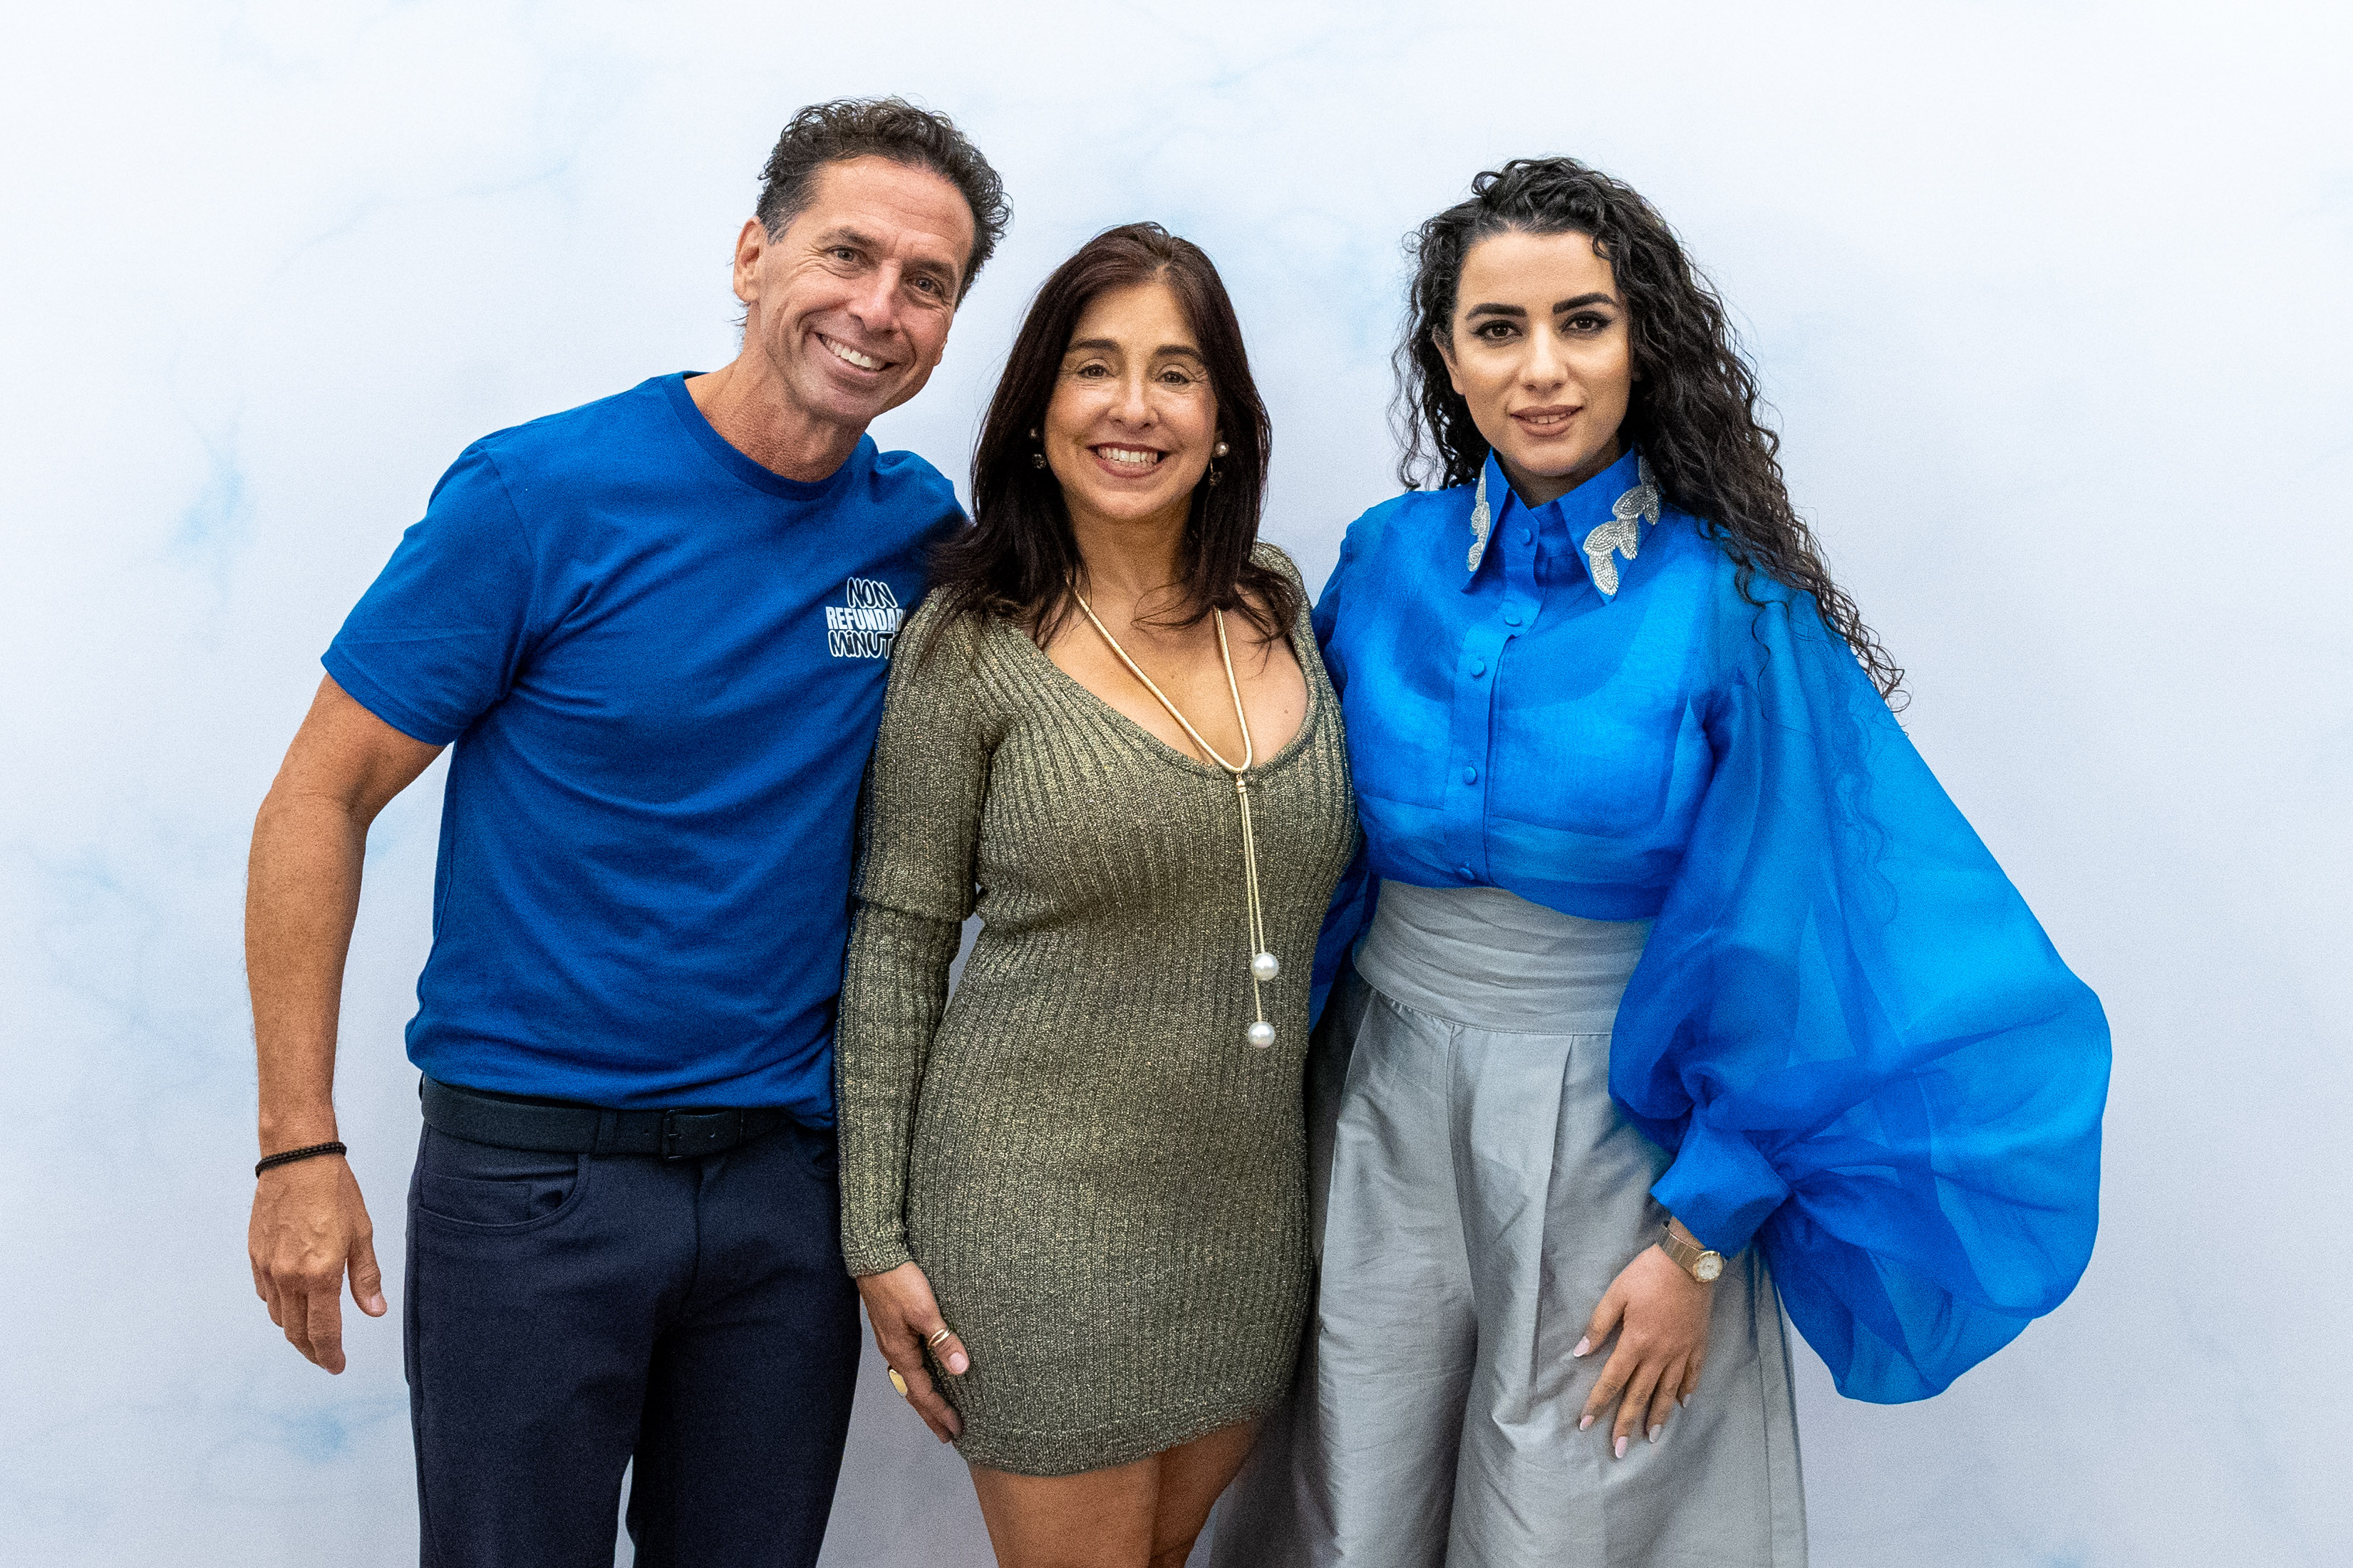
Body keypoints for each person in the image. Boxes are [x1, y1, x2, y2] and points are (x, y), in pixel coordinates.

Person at [1214, 158, 2111, 1567]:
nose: (1542, 369)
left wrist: (1700, 1238)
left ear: (1643, 343)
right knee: (1351, 1497)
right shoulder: (1381, 561)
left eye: (1583, 322)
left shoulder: (1730, 601)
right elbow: (1305, 850)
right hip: (1372, 1101)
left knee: (1577, 1519)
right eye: (1497, 329)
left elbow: (1798, 934)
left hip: (1615, 1130)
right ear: (1445, 355)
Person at [241, 99, 1008, 1568]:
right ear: (752, 255)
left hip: (785, 1194)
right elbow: (315, 799)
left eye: (927, 283)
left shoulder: (915, 533)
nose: (879, 308)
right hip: (533, 1186)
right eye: (846, 254)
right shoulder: (539, 496)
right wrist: (297, 1147)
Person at [834, 222, 1358, 1568]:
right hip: (1034, 1222)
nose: (1133, 406)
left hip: (1246, 1220)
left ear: (1225, 421)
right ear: (1036, 410)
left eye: (1175, 372)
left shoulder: (1276, 601)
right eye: (1093, 367)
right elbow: (898, 939)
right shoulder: (970, 641)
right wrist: (873, 1234)